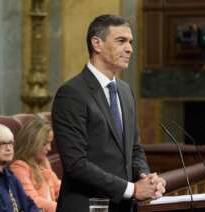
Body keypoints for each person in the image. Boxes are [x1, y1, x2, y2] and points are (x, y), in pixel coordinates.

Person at [51, 14, 166, 212]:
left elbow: (134, 150)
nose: (129, 48)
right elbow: (76, 164)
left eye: (130, 42)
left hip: (123, 207)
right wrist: (131, 189)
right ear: (97, 43)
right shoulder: (71, 93)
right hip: (87, 206)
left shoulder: (125, 91)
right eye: (121, 41)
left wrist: (145, 178)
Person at [10, 118, 61, 212]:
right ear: (32, 143)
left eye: (50, 143)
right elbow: (32, 200)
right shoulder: (18, 167)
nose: (49, 148)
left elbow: (59, 187)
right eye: (44, 144)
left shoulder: (43, 162)